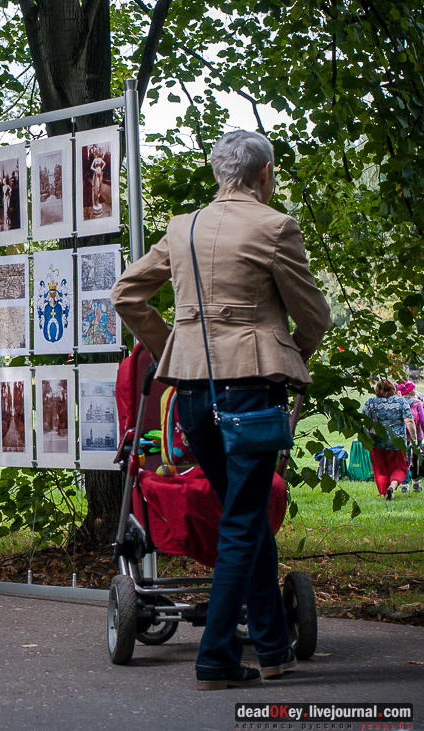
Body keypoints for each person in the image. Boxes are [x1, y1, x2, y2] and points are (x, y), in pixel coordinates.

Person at [111, 130, 331, 690]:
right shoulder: (275, 227)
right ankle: (216, 659)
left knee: (246, 513)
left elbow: (126, 295)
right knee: (240, 521)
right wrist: (287, 354)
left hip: (191, 394)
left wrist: (169, 347)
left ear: (218, 174)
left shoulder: (180, 228)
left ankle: (275, 650)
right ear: (265, 174)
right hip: (252, 392)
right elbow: (315, 318)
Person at [363, 379, 412, 500]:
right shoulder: (401, 401)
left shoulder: (370, 402)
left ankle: (386, 494)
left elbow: (362, 421)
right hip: (397, 442)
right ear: (392, 389)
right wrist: (414, 438)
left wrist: (363, 438)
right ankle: (393, 486)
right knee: (400, 467)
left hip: (376, 442)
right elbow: (409, 421)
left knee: (380, 470)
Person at [396, 381, 423, 493]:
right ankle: (416, 483)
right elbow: (422, 420)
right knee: (417, 460)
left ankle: (404, 485)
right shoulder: (417, 403)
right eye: (413, 389)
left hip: (401, 436)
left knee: (404, 460)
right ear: (410, 391)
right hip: (417, 436)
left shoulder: (397, 403)